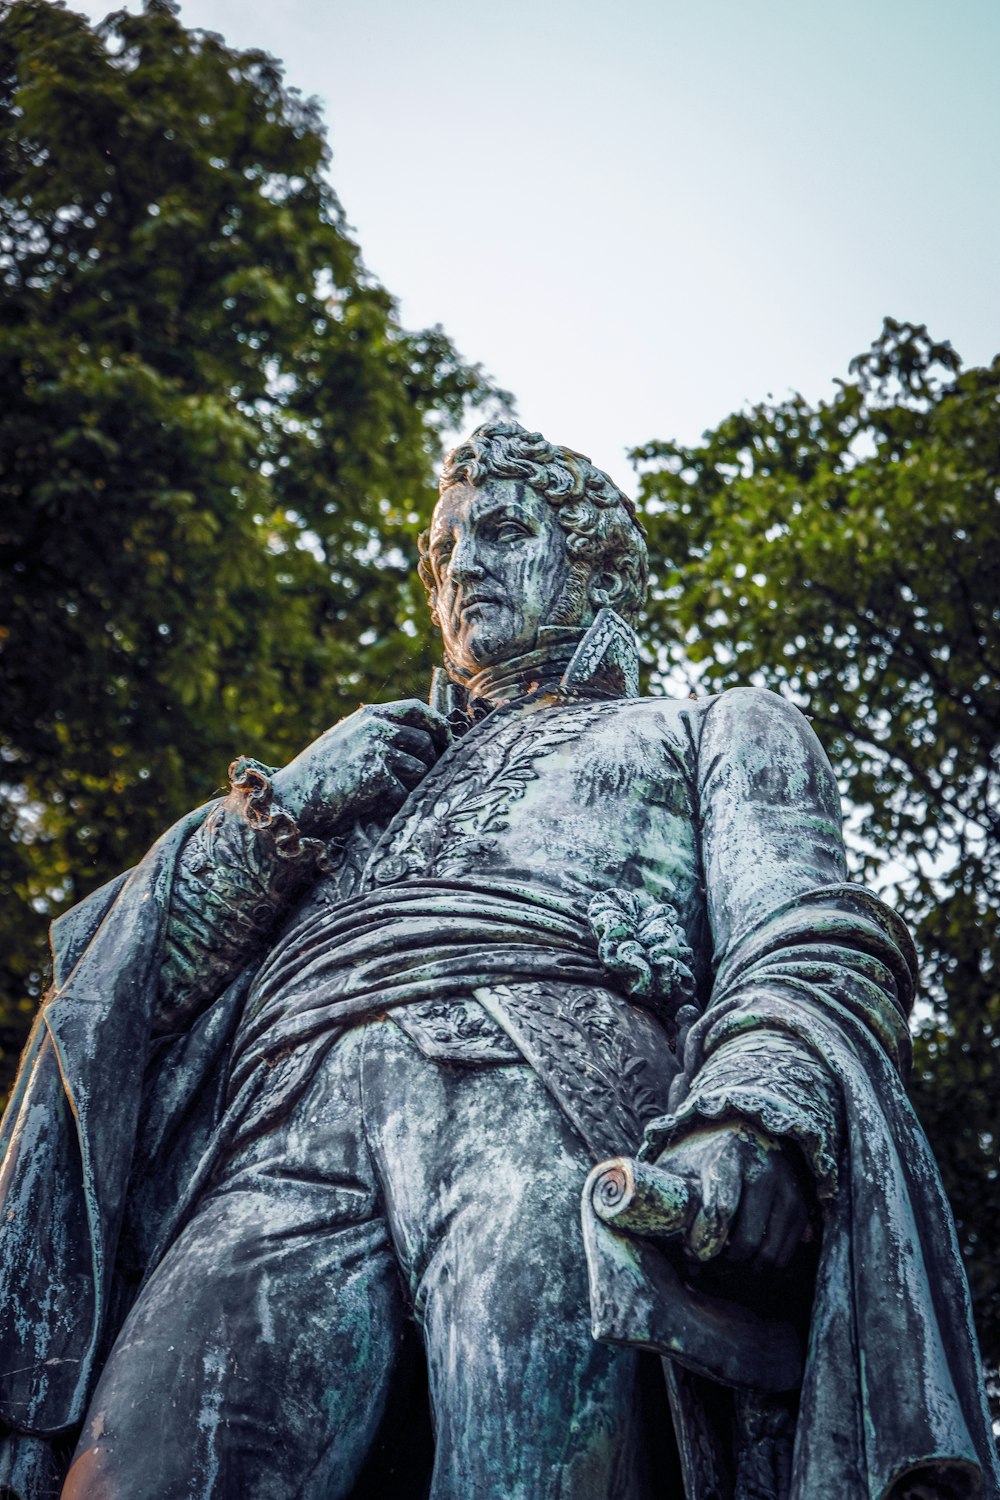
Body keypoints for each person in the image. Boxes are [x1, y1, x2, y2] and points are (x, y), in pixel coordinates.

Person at [0, 422, 995, 1500]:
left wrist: (753, 1114)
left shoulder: (710, 725)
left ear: (599, 564)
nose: (463, 566)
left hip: (540, 1098)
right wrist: (279, 811)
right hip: (275, 1127)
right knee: (133, 1472)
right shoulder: (360, 787)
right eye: (443, 550)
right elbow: (122, 995)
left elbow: (805, 933)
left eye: (505, 531)